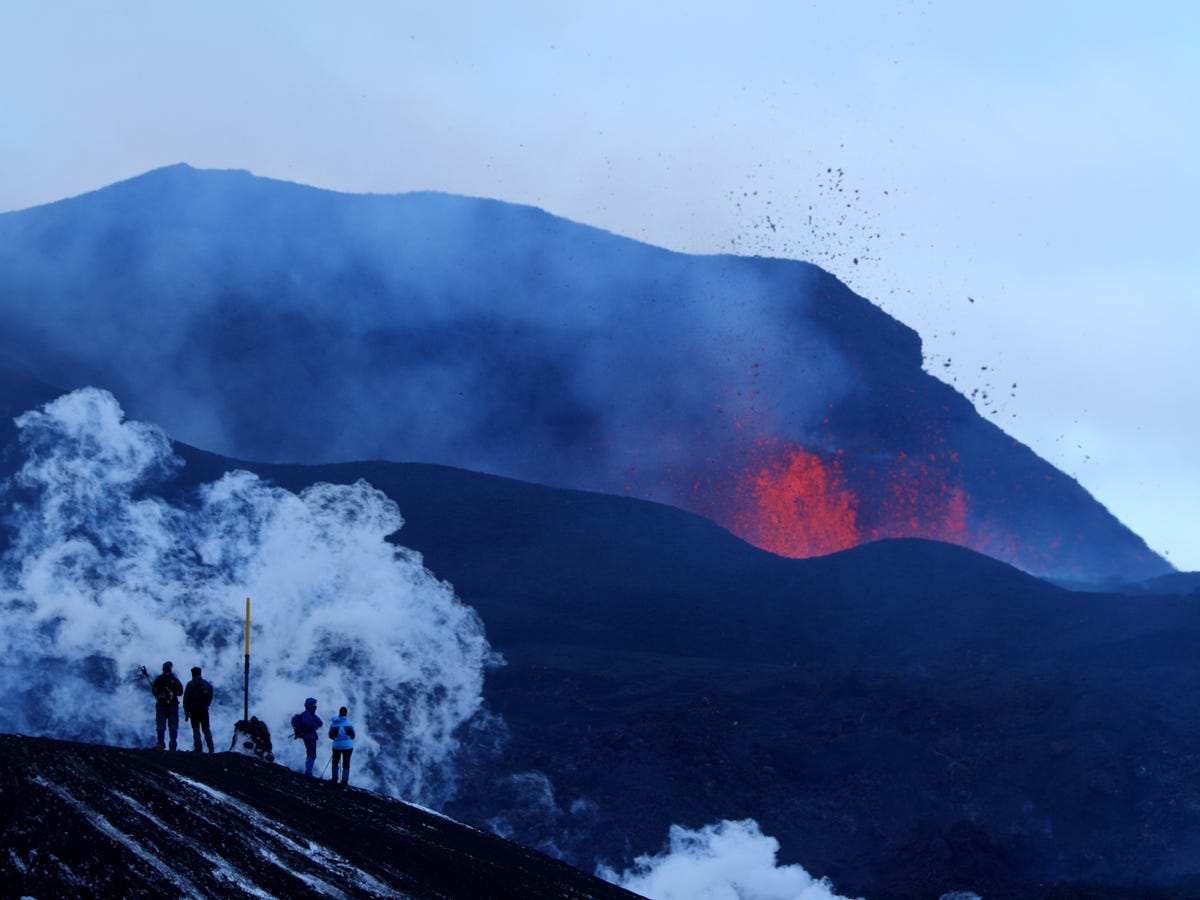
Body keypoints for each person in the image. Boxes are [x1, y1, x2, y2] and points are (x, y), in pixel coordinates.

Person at [182, 665, 215, 753]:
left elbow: (186, 700)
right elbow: (210, 696)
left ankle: (198, 748)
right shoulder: (207, 685)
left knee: (196, 730)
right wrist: (206, 705)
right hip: (204, 710)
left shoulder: (190, 684)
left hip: (194, 710)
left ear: (192, 674)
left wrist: (186, 712)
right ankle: (211, 748)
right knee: (206, 729)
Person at [152, 661, 184, 751]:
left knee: (160, 726)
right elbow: (181, 692)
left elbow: (154, 692)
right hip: (173, 706)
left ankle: (160, 744)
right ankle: (173, 745)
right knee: (173, 726)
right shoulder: (175, 680)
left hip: (161, 706)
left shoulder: (158, 680)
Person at [327, 706, 356, 787]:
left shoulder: (333, 724)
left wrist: (337, 739)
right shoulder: (349, 724)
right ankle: (344, 781)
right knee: (346, 763)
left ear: (339, 713)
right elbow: (353, 736)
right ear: (346, 714)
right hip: (348, 746)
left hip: (337, 746)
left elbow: (330, 735)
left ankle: (334, 778)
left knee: (335, 761)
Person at [294, 697, 323, 777]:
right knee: (312, 754)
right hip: (310, 736)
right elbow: (315, 726)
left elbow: (320, 723)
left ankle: (308, 770)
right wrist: (315, 724)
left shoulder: (309, 714)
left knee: (310, 753)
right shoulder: (307, 715)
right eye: (314, 704)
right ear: (310, 705)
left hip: (309, 736)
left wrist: (314, 720)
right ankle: (308, 771)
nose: (315, 705)